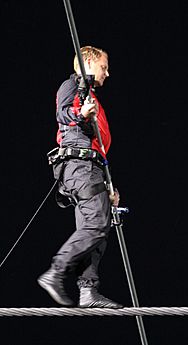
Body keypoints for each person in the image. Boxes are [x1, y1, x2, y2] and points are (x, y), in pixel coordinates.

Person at [37, 46, 123, 308]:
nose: (107, 73)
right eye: (103, 67)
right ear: (87, 62)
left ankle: (88, 290)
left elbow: (98, 146)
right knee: (97, 222)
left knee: (99, 225)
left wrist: (109, 185)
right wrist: (80, 114)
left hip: (91, 167)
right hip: (78, 166)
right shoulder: (72, 85)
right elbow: (62, 114)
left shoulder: (91, 98)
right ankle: (56, 271)